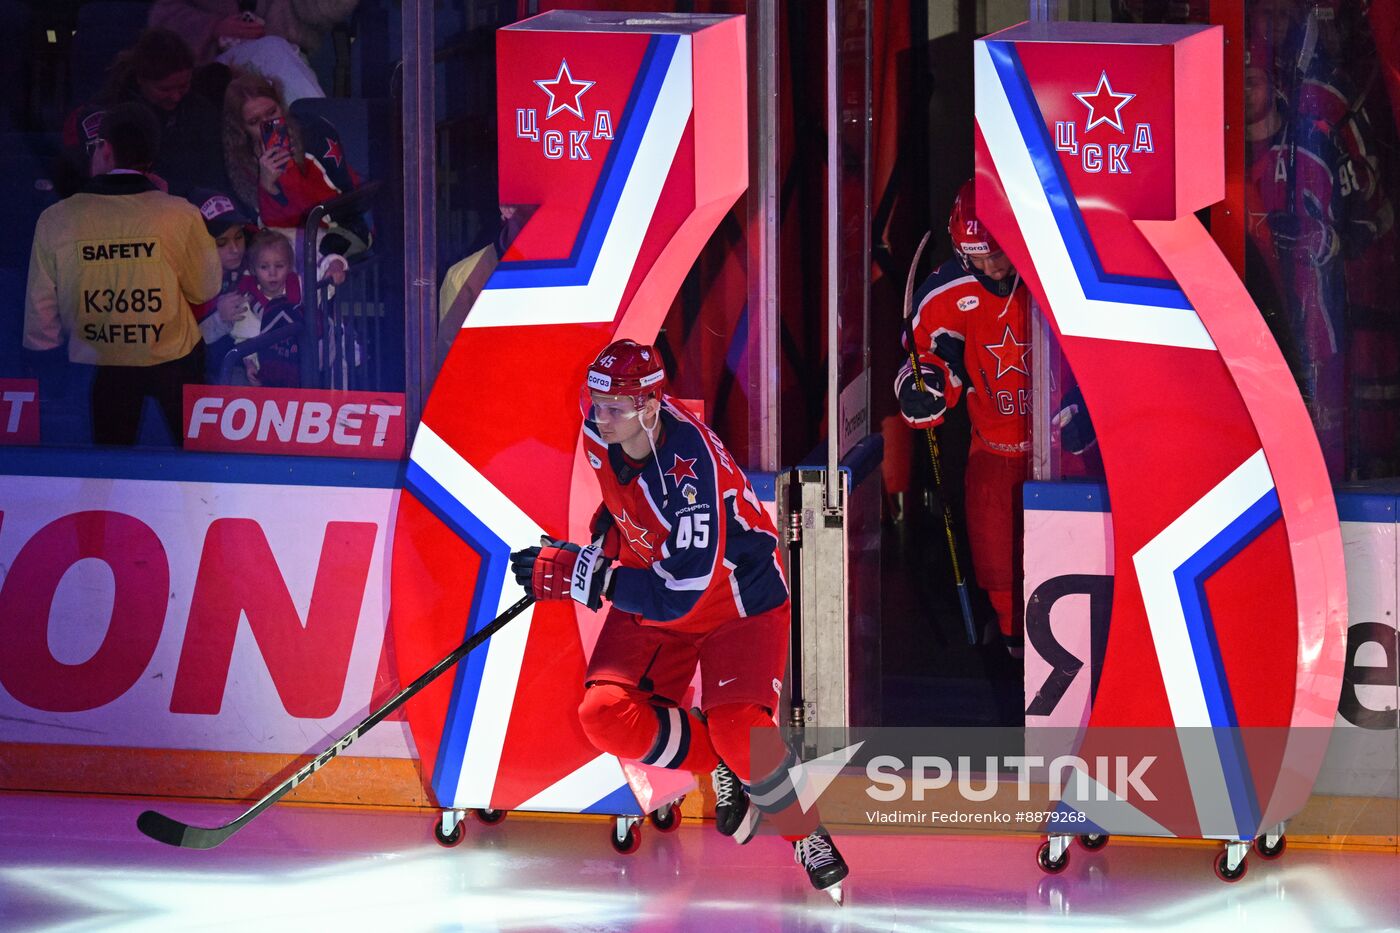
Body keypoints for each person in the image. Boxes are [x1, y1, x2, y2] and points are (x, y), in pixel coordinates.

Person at [508, 340, 850, 903]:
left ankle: (804, 831)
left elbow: (681, 592)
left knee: (741, 729)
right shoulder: (602, 430)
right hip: (659, 586)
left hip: (736, 602)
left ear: (649, 405)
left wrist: (586, 578)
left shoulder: (691, 472)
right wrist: (601, 543)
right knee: (604, 717)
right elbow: (623, 504)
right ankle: (718, 756)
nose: (600, 414)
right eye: (596, 401)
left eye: (615, 405)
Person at [895, 180, 1093, 654]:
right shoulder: (946, 293)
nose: (991, 267)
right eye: (976, 257)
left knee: (1075, 556)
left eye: (998, 253)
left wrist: (1091, 413)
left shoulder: (1061, 273)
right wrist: (923, 392)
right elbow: (926, 362)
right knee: (998, 565)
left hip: (1061, 451)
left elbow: (1101, 353)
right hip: (994, 449)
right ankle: (1012, 651)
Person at [24, 103, 223, 446]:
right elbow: (204, 289)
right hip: (172, 360)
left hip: (96, 367)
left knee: (104, 473)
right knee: (199, 467)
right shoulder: (180, 214)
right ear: (151, 156)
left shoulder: (57, 218)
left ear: (104, 149)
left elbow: (41, 325)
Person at [61, 29, 230, 200]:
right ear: (141, 79)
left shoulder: (201, 111)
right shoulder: (113, 118)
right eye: (165, 89)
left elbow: (216, 175)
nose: (176, 96)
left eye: (183, 86)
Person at [222, 71, 369, 258]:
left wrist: (280, 182)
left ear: (281, 106)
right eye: (254, 122)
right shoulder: (240, 159)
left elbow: (315, 215)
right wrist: (267, 187)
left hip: (338, 228)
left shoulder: (312, 134)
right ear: (241, 128)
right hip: (281, 237)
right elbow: (263, 227)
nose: (267, 124)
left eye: (272, 112)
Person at [150, 0, 358, 103]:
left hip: (283, 57)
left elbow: (323, 10)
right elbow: (161, 19)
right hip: (215, 65)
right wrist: (214, 27)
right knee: (272, 51)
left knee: (274, 51)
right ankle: (327, 147)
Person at [231, 228, 346, 386]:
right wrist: (250, 364)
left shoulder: (301, 286)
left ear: (290, 266)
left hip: (306, 371)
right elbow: (245, 340)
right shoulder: (248, 302)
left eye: (279, 266)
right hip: (269, 375)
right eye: (264, 267)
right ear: (253, 269)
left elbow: (326, 273)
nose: (272, 273)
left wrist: (336, 265)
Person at [188, 188, 256, 382]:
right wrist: (220, 319)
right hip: (212, 377)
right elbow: (185, 349)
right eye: (221, 242)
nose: (234, 249)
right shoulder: (190, 281)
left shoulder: (255, 259)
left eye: (238, 237)